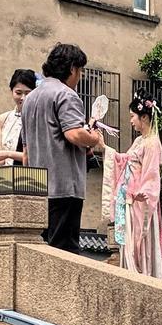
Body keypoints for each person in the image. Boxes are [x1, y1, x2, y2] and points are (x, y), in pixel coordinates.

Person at [21, 43, 103, 252]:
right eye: (80, 71)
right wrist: (93, 138)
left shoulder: (30, 99)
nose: (80, 77)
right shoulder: (66, 94)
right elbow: (74, 133)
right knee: (64, 251)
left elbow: (26, 151)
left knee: (42, 250)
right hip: (64, 185)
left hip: (36, 186)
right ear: (72, 68)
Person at [106, 96, 162, 277]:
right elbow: (125, 160)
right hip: (131, 197)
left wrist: (144, 192)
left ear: (144, 117)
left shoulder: (152, 143)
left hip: (140, 199)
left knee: (139, 243)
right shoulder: (140, 140)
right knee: (129, 240)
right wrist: (105, 148)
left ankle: (143, 275)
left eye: (133, 116)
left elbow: (151, 174)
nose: (131, 121)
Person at [0, 68, 37, 168]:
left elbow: (39, 156)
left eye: (28, 93)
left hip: (31, 175)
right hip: (7, 175)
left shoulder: (39, 119)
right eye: (18, 93)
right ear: (11, 91)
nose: (23, 98)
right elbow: (4, 159)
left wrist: (8, 154)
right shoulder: (3, 119)